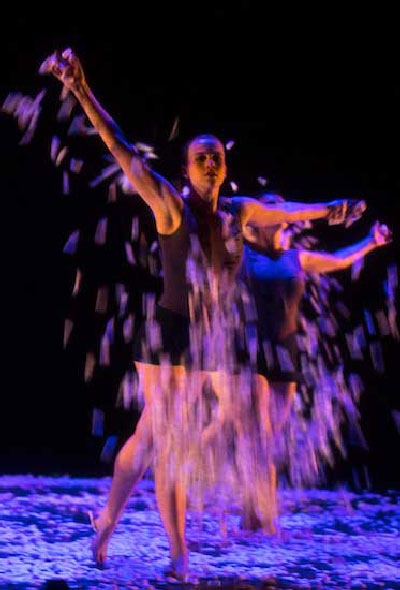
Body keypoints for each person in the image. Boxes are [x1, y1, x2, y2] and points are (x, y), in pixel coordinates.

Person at [40, 48, 366, 578]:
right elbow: (121, 149)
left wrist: (331, 210)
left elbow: (288, 211)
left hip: (206, 339)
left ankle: (106, 520)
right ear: (187, 169)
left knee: (148, 436)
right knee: (169, 441)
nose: (211, 163)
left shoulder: (238, 213)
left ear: (224, 166)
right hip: (169, 334)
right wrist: (80, 90)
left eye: (217, 156)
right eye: (201, 158)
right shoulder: (170, 205)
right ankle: (178, 554)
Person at [240, 193, 392, 530]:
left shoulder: (297, 258)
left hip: (287, 353)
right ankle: (264, 519)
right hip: (252, 354)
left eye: (280, 208)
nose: (278, 214)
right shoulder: (243, 256)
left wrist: (370, 241)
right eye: (270, 209)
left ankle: (252, 516)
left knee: (270, 442)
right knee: (261, 439)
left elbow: (338, 260)